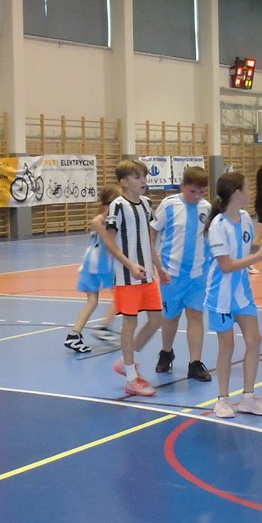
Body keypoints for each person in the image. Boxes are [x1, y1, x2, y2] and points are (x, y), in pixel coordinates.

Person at [205, 171, 262, 417]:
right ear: (237, 194)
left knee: (254, 339)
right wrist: (259, 257)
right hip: (221, 295)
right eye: (248, 188)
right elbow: (226, 266)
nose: (251, 192)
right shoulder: (218, 226)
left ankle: (248, 398)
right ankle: (222, 399)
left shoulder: (246, 218)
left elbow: (248, 249)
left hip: (242, 293)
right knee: (227, 345)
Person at [99, 158, 164, 397]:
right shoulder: (118, 205)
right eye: (137, 177)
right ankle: (130, 377)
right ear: (124, 182)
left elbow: (148, 240)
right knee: (130, 322)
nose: (143, 180)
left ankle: (127, 360)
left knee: (156, 319)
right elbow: (110, 242)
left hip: (148, 275)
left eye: (144, 176)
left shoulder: (146, 204)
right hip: (127, 277)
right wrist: (130, 265)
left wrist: (159, 268)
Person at [152, 165, 214, 382]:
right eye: (192, 191)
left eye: (201, 192)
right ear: (182, 186)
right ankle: (166, 352)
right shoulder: (169, 205)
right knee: (171, 316)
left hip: (198, 273)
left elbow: (210, 238)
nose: (196, 196)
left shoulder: (207, 208)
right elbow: (153, 232)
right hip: (171, 273)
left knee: (195, 315)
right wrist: (157, 264)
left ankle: (195, 363)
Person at [65, 184, 120, 353]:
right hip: (101, 262)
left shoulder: (107, 214)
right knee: (121, 295)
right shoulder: (107, 215)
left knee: (92, 300)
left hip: (90, 261)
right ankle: (104, 328)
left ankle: (74, 336)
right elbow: (97, 223)